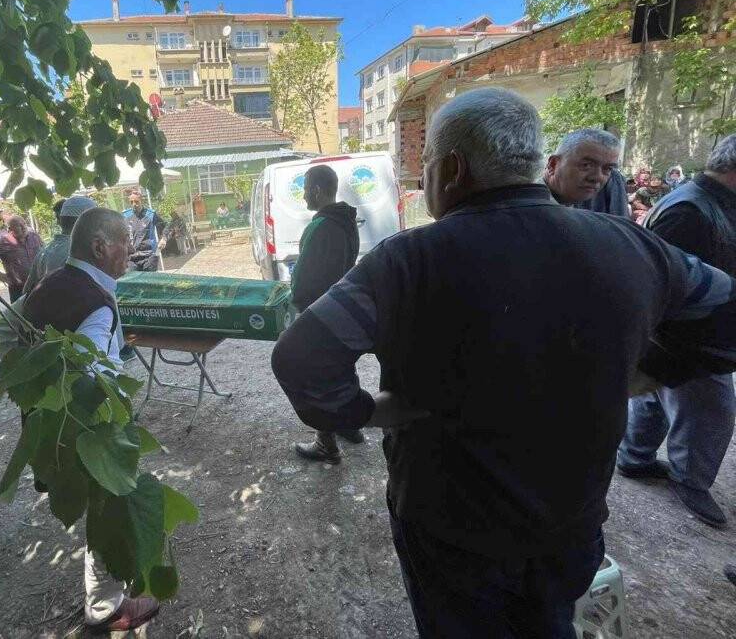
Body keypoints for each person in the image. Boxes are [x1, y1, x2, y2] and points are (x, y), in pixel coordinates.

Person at [271, 87, 736, 638]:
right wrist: (641, 375)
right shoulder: (631, 246)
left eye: (426, 166)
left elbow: (302, 358)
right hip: (572, 519)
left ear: (451, 168)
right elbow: (725, 317)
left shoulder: (407, 261)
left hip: (450, 526)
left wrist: (369, 411)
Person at [23, 208, 159, 632]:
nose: (132, 250)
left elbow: (12, 334)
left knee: (99, 508)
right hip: (88, 431)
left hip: (47, 423)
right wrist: (116, 435)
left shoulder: (50, 281)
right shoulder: (95, 304)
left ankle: (105, 599)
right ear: (100, 247)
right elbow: (95, 379)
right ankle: (105, 607)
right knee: (108, 506)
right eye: (124, 241)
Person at [617, 134, 736, 527]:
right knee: (710, 411)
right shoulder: (689, 208)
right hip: (691, 339)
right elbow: (659, 279)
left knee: (654, 396)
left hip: (687, 336)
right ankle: (691, 481)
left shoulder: (706, 201)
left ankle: (635, 458)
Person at [290, 164, 363, 464]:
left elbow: (304, 281)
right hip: (341, 309)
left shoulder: (320, 227)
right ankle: (350, 423)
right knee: (341, 368)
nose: (304, 194)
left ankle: (325, 444)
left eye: (306, 188)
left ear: (317, 190)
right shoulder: (347, 221)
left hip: (319, 315)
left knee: (314, 376)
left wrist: (294, 299)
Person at [21, 196, 97, 297]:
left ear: (60, 221)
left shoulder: (44, 252)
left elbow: (27, 291)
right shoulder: (85, 251)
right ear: (86, 222)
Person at [542, 128, 628, 216]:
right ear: (553, 164)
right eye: (586, 165)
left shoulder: (583, 194)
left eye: (608, 169)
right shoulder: (530, 204)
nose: (598, 177)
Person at [0, 214, 42, 303]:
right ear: (10, 229)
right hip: (18, 289)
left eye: (24, 224)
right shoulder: (4, 242)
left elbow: (43, 252)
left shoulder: (34, 237)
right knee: (20, 315)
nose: (23, 227)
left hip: (38, 284)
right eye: (18, 225)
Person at [123, 192, 165, 272]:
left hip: (149, 255)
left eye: (136, 201)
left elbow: (163, 226)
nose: (134, 204)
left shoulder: (151, 215)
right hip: (132, 257)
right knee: (132, 281)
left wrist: (163, 238)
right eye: (131, 202)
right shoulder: (125, 216)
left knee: (149, 281)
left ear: (141, 201)